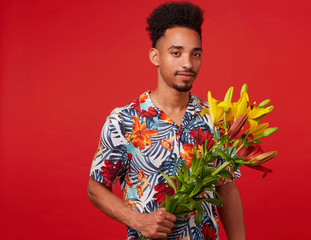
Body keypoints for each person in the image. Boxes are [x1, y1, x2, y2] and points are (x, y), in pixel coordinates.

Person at [87, 2, 246, 239]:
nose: (187, 64)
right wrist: (138, 221)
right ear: (155, 56)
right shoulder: (124, 120)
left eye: (196, 54)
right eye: (176, 53)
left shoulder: (214, 117)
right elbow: (95, 187)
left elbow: (227, 188)